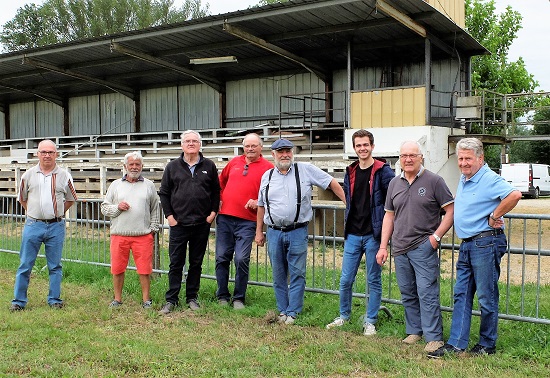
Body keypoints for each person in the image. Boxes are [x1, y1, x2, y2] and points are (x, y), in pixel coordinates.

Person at [429, 137, 521, 358]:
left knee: (486, 296)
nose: (463, 163)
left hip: (486, 242)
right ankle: (456, 343)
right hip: (469, 243)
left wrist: (494, 215)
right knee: (461, 293)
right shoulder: (465, 177)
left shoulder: (488, 178)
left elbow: (514, 194)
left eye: (468, 158)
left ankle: (487, 344)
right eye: (460, 158)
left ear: (480, 158)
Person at [255, 138, 346, 325]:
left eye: (288, 151)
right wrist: (259, 231)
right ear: (273, 155)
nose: (285, 155)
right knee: (278, 273)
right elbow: (261, 206)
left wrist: (348, 204)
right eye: (280, 152)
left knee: (297, 272)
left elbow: (331, 184)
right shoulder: (267, 176)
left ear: (292, 152)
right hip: (273, 232)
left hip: (297, 230)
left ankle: (293, 311)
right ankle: (282, 310)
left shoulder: (305, 169)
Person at [376, 140, 454, 353]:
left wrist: (436, 237)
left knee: (427, 292)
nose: (408, 159)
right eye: (404, 156)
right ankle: (414, 331)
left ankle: (434, 337)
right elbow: (389, 216)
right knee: (408, 291)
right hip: (399, 247)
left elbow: (450, 211)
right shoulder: (394, 183)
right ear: (399, 159)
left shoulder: (434, 181)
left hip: (423, 246)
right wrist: (383, 246)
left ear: (421, 157)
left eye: (412, 155)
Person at [325, 129, 394, 335]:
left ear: (372, 146)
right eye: (358, 145)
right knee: (346, 279)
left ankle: (370, 320)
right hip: (353, 234)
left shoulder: (383, 171)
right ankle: (343, 316)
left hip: (373, 235)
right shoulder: (351, 170)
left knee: (374, 279)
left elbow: (393, 199)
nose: (362, 149)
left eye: (366, 145)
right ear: (354, 148)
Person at [10, 140, 77, 311]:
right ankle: (18, 301)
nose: (47, 155)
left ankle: (54, 299)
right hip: (33, 225)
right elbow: (22, 198)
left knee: (55, 265)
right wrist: (35, 213)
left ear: (56, 154)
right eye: (43, 152)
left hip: (56, 226)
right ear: (37, 154)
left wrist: (57, 214)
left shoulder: (64, 175)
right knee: (25, 264)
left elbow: (71, 199)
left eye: (51, 152)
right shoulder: (28, 175)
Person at [158, 130, 220, 314]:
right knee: (175, 263)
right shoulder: (172, 167)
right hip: (179, 224)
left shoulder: (209, 165)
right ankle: (172, 299)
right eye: (187, 141)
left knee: (196, 263)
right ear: (181, 145)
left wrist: (212, 213)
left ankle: (192, 297)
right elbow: (164, 193)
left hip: (201, 224)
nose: (191, 143)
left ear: (200, 145)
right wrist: (170, 217)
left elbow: (216, 191)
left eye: (195, 141)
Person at [215, 133, 273, 309]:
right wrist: (219, 200)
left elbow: (271, 193)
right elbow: (220, 182)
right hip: (225, 218)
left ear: (261, 147)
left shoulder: (268, 168)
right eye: (247, 146)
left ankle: (239, 297)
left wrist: (258, 202)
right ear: (243, 147)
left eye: (254, 145)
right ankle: (222, 295)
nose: (250, 149)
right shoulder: (234, 162)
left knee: (241, 258)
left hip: (248, 221)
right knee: (221, 257)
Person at [101, 151, 160, 309]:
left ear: (142, 166)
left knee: (145, 269)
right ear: (125, 166)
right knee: (118, 268)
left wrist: (153, 229)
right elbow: (105, 208)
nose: (134, 167)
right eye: (131, 164)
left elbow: (155, 208)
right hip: (119, 234)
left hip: (142, 235)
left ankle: (146, 299)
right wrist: (117, 208)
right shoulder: (115, 185)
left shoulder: (149, 185)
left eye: (137, 164)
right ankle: (117, 299)